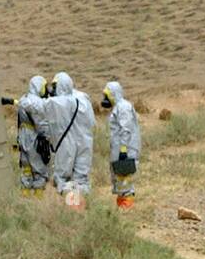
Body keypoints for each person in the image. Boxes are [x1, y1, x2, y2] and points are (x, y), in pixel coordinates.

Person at [44, 71, 93, 206]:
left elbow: (40, 108)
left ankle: (72, 209)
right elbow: (91, 121)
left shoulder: (57, 103)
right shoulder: (83, 98)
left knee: (65, 179)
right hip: (85, 143)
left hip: (67, 144)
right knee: (81, 179)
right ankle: (80, 208)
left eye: (54, 86)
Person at [100, 81, 141, 209]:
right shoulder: (118, 107)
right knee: (120, 180)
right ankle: (122, 206)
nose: (105, 99)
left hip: (125, 150)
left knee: (124, 180)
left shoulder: (123, 107)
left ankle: (126, 207)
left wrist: (123, 149)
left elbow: (126, 129)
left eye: (107, 96)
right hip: (119, 150)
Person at [15, 75, 50, 194]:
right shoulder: (37, 103)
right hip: (34, 138)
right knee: (39, 169)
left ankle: (25, 195)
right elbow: (41, 124)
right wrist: (47, 137)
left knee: (26, 169)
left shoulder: (23, 99)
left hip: (23, 136)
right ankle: (38, 198)